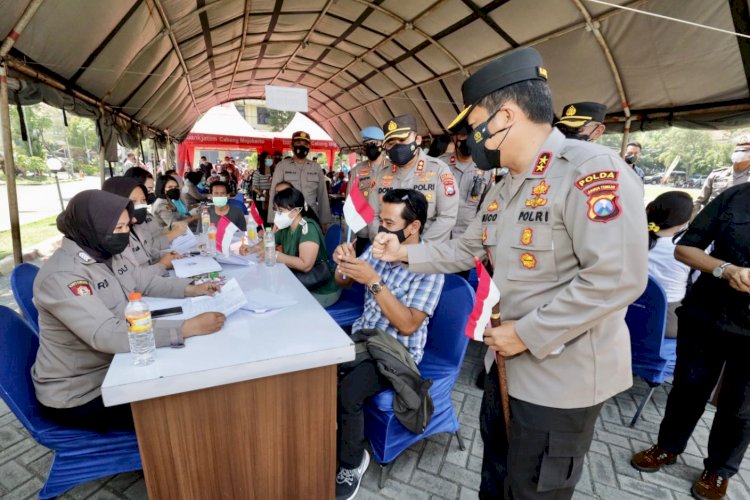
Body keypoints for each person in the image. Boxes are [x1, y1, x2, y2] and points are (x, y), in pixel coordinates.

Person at [371, 47, 648, 499]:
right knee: (497, 477)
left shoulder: (590, 171)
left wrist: (529, 332)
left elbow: (616, 278)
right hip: (505, 366)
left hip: (562, 378)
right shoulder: (507, 184)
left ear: (505, 116)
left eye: (474, 123)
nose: (471, 137)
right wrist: (402, 253)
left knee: (534, 489)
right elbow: (465, 247)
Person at [31, 190, 225, 430]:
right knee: (183, 411)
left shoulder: (103, 251)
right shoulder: (64, 276)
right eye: (119, 228)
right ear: (90, 227)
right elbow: (107, 334)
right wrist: (186, 328)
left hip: (119, 363)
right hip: (82, 391)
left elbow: (145, 282)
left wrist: (192, 289)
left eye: (126, 227)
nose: (125, 235)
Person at [631, 183, 750, 500]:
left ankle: (719, 471)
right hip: (706, 315)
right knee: (687, 389)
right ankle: (667, 447)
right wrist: (725, 269)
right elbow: (686, 249)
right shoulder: (735, 197)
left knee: (740, 406)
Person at [331, 189, 444, 500]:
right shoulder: (378, 248)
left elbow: (407, 324)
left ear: (413, 227)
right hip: (364, 336)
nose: (381, 229)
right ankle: (335, 437)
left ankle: (352, 462)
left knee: (349, 391)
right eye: (381, 220)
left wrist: (373, 280)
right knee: (320, 370)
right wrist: (344, 262)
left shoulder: (430, 267)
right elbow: (343, 280)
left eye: (389, 222)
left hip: (395, 351)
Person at [242, 187, 340, 306]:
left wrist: (276, 255)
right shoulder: (286, 227)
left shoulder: (307, 228)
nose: (277, 214)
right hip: (298, 282)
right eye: (276, 210)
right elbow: (270, 241)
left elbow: (306, 265)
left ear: (295, 211)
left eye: (280, 211)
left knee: (273, 300)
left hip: (320, 289)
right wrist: (252, 248)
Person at [368, 115, 458, 243]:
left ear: (418, 139)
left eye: (402, 140)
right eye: (391, 143)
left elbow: (447, 217)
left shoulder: (438, 170)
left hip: (426, 254)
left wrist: (417, 250)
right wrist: (383, 242)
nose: (397, 147)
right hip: (387, 252)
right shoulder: (381, 175)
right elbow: (372, 216)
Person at [102, 177, 184, 275]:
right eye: (133, 201)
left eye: (143, 200)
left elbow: (149, 253)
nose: (141, 206)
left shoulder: (136, 226)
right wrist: (162, 265)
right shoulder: (115, 237)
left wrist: (168, 255)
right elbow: (135, 278)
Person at [645, 191, 693, 338]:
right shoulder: (687, 250)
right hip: (668, 323)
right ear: (684, 221)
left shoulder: (633, 240)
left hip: (628, 312)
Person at [438, 126, 493, 239]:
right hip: (439, 238)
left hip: (467, 239)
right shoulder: (439, 165)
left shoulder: (486, 168)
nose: (468, 140)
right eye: (463, 135)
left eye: (472, 135)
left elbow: (486, 206)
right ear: (454, 138)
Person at [269, 131, 332, 228]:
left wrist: (324, 221)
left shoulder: (316, 167)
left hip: (311, 217)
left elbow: (322, 195)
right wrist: (273, 220)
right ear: (292, 146)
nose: (302, 146)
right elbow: (273, 193)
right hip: (288, 219)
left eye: (305, 144)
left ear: (309, 147)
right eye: (298, 143)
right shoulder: (282, 166)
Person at [349, 126, 390, 254]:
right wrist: (351, 236)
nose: (370, 147)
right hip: (363, 231)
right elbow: (350, 202)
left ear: (382, 144)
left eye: (373, 143)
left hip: (386, 229)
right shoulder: (358, 170)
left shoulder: (393, 168)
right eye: (366, 144)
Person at [694, 135, 750, 215]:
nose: (739, 153)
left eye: (744, 150)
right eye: (737, 150)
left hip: (740, 225)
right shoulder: (716, 175)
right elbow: (699, 202)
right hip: (712, 223)